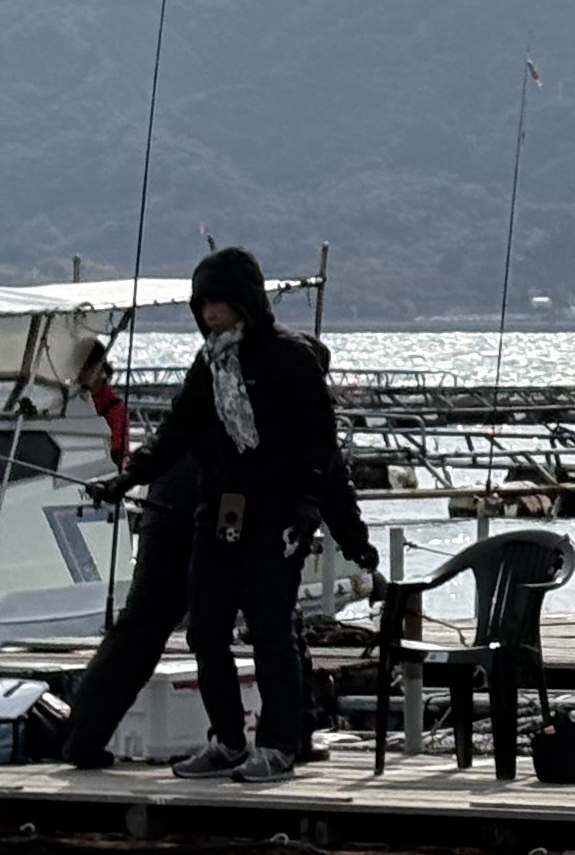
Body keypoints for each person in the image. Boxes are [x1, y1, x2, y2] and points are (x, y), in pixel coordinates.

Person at [94, 248, 370, 784]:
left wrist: (314, 507)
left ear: (244, 301)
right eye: (202, 305)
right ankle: (225, 740)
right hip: (220, 509)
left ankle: (279, 744)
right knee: (206, 629)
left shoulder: (290, 357)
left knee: (271, 631)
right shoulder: (209, 364)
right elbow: (175, 433)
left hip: (279, 513)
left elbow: (320, 442)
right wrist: (126, 477)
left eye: (217, 302)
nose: (209, 314)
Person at [59, 461, 193, 769]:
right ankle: (281, 738)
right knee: (263, 626)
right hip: (210, 501)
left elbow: (169, 441)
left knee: (138, 630)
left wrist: (127, 479)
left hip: (169, 498)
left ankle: (82, 734)